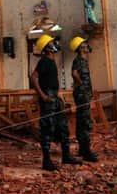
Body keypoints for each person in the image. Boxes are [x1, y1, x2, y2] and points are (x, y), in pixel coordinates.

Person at [30, 34, 80, 171]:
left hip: (55, 97)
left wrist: (58, 96)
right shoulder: (44, 61)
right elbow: (34, 78)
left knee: (63, 127)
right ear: (47, 48)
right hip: (48, 98)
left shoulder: (51, 61)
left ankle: (66, 156)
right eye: (52, 43)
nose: (55, 44)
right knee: (47, 129)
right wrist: (43, 96)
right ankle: (46, 161)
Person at [70, 36, 98, 162]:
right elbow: (74, 73)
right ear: (81, 47)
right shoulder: (78, 60)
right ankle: (86, 151)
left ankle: (83, 148)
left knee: (82, 121)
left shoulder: (83, 61)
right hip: (82, 95)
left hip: (84, 94)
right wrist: (81, 85)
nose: (87, 46)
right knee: (85, 122)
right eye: (85, 45)